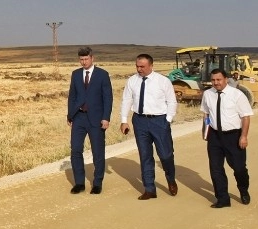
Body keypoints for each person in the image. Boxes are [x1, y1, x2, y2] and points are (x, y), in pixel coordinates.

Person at [120, 53, 178, 200]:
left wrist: (168, 119)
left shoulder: (163, 81)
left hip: (159, 121)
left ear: (151, 66)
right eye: (137, 66)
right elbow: (127, 100)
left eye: (142, 67)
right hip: (139, 121)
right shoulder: (132, 81)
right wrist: (124, 120)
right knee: (145, 155)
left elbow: (172, 101)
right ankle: (150, 189)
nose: (139, 69)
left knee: (165, 155)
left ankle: (170, 178)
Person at [200, 68, 253, 208]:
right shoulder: (207, 94)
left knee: (239, 168)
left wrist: (244, 136)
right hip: (215, 136)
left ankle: (243, 190)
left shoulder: (237, 95)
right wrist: (205, 132)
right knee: (216, 168)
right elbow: (205, 114)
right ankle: (223, 199)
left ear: (226, 80)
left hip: (233, 136)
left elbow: (245, 117)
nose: (216, 83)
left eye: (218, 80)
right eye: (213, 80)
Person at [66, 47, 113, 194]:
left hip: (96, 118)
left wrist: (106, 117)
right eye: (81, 59)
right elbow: (72, 96)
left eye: (86, 59)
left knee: (97, 151)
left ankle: (97, 183)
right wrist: (70, 115)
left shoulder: (102, 75)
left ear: (92, 58)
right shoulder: (75, 74)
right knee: (76, 150)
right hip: (79, 117)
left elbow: (108, 98)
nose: (83, 62)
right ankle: (79, 182)